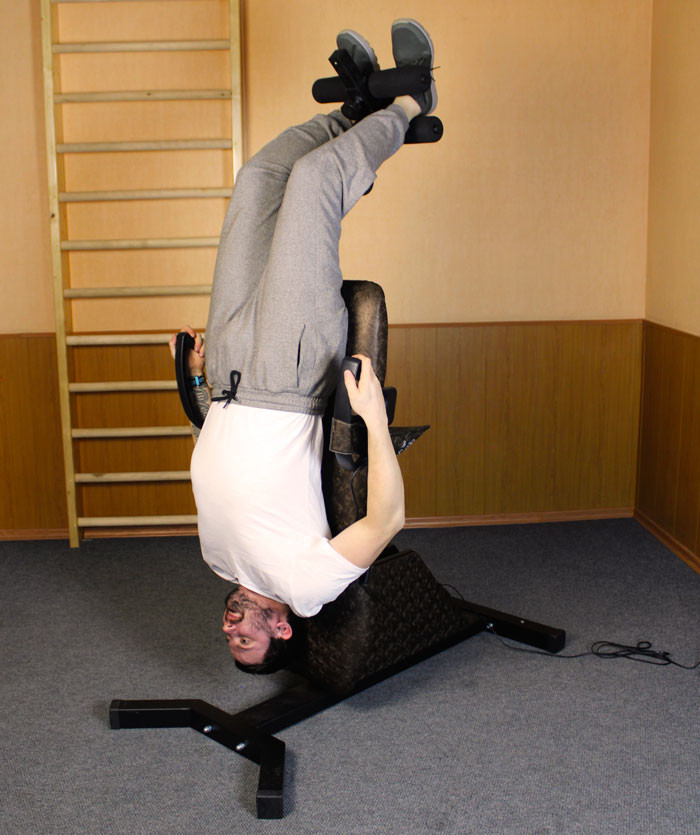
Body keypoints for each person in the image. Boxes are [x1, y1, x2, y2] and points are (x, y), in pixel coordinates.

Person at [169, 20, 437, 673]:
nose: (230, 627)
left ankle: (357, 111)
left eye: (227, 636)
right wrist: (373, 418)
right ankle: (412, 102)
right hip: (288, 375)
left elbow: (217, 449)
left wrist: (199, 379)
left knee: (257, 179)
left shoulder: (215, 558)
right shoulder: (307, 588)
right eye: (245, 640)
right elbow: (387, 520)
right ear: (282, 631)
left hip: (229, 368)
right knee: (315, 182)